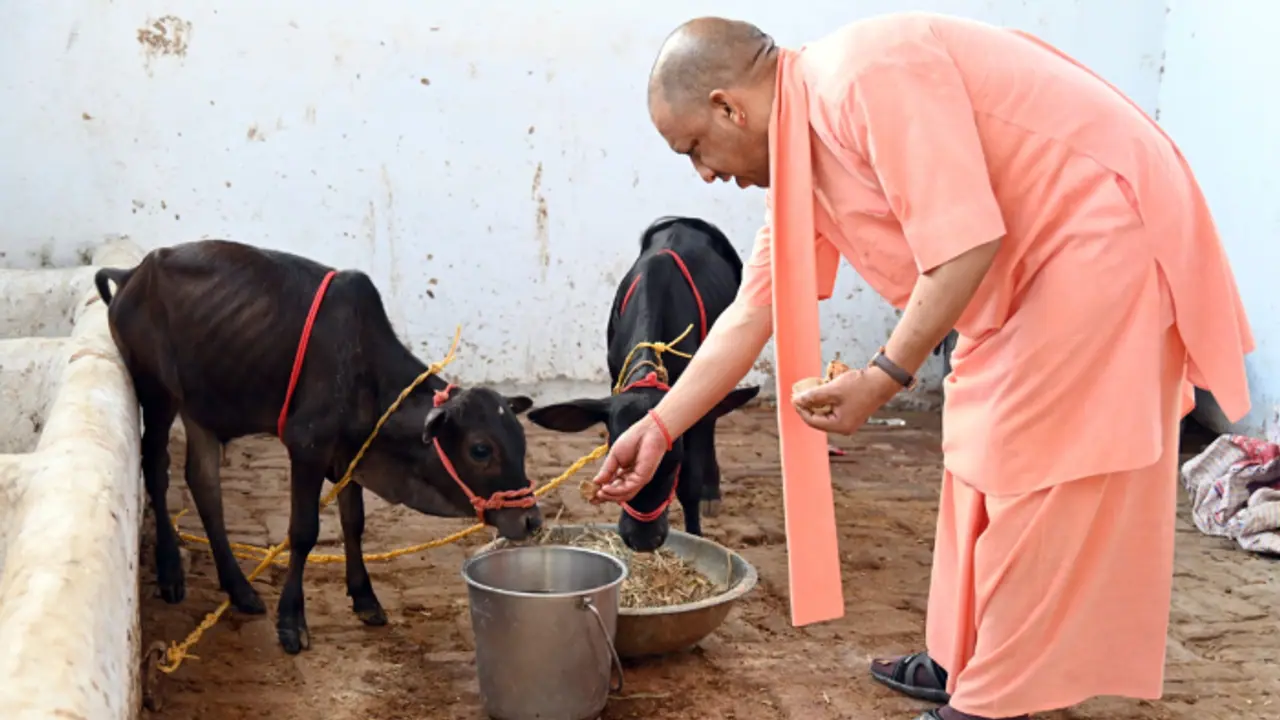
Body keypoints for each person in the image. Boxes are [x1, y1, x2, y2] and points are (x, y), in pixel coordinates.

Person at [589, 12, 1255, 720]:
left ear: (730, 105)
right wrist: (661, 426)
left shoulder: (863, 76)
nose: (707, 173)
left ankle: (992, 700)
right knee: (975, 443)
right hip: (1034, 261)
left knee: (1037, 465)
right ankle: (960, 655)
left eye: (696, 146)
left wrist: (882, 377)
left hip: (1103, 232)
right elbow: (753, 313)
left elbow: (965, 246)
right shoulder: (801, 152)